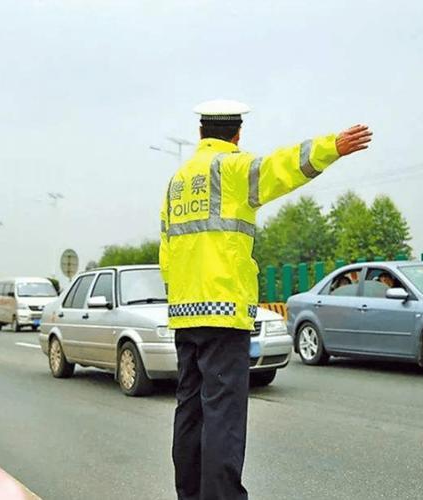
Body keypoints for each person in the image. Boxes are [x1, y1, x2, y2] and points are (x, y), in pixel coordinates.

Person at [159, 99, 372, 500]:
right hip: (224, 311)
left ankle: (189, 494)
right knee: (223, 414)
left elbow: (167, 250)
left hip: (185, 314)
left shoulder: (177, 181)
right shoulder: (234, 168)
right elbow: (283, 166)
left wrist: (180, 296)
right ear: (237, 135)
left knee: (189, 411)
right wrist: (333, 147)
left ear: (200, 133)